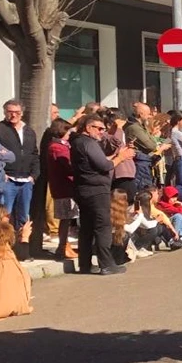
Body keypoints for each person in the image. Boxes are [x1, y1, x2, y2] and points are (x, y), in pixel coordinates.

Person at [71, 114, 135, 276]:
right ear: (88, 127)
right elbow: (104, 165)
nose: (101, 132)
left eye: (103, 129)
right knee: (102, 227)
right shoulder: (88, 143)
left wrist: (116, 155)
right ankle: (106, 264)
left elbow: (98, 161)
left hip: (84, 190)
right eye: (98, 128)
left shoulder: (79, 143)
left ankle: (84, 264)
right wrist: (122, 157)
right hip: (96, 191)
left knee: (87, 227)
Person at [0, 99, 40, 234]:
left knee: (23, 217)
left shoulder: (29, 131)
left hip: (26, 181)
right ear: (4, 113)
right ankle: (3, 248)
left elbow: (34, 154)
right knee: (4, 216)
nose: (13, 115)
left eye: (17, 112)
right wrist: (2, 174)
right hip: (8, 180)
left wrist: (34, 175)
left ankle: (22, 249)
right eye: (10, 112)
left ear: (22, 113)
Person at [44, 119, 79, 260]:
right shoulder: (57, 147)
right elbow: (68, 165)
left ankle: (64, 245)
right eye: (68, 131)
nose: (70, 134)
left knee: (69, 218)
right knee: (65, 218)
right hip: (63, 188)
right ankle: (62, 246)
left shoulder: (64, 145)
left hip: (68, 186)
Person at [101, 109, 137, 202]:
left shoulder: (119, 134)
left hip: (128, 173)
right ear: (109, 125)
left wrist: (129, 147)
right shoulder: (105, 136)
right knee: (123, 202)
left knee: (131, 199)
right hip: (119, 174)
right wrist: (119, 128)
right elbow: (116, 142)